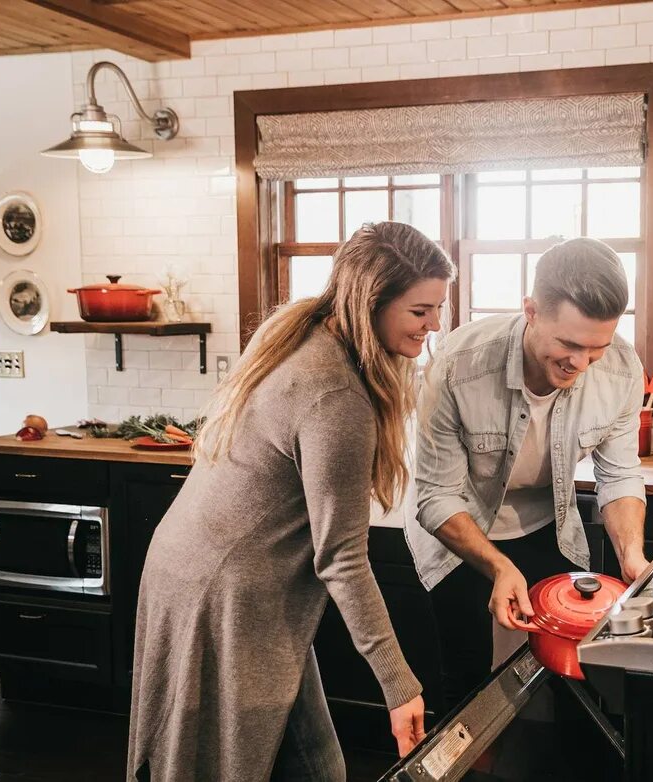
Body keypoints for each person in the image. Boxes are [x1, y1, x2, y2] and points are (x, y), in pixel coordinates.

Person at [127, 222, 454, 781]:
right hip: (228, 593)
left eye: (438, 308)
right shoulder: (336, 395)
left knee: (301, 760)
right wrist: (400, 687)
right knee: (296, 767)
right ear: (370, 300)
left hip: (190, 567)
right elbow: (343, 560)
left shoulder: (298, 328)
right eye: (420, 310)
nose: (434, 324)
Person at [408, 237, 648, 710]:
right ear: (532, 311)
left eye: (596, 349)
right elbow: (435, 494)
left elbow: (618, 475)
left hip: (549, 528)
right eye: (569, 344)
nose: (580, 364)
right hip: (460, 532)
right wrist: (499, 566)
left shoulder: (621, 369)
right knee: (468, 683)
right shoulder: (458, 365)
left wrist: (632, 554)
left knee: (572, 678)